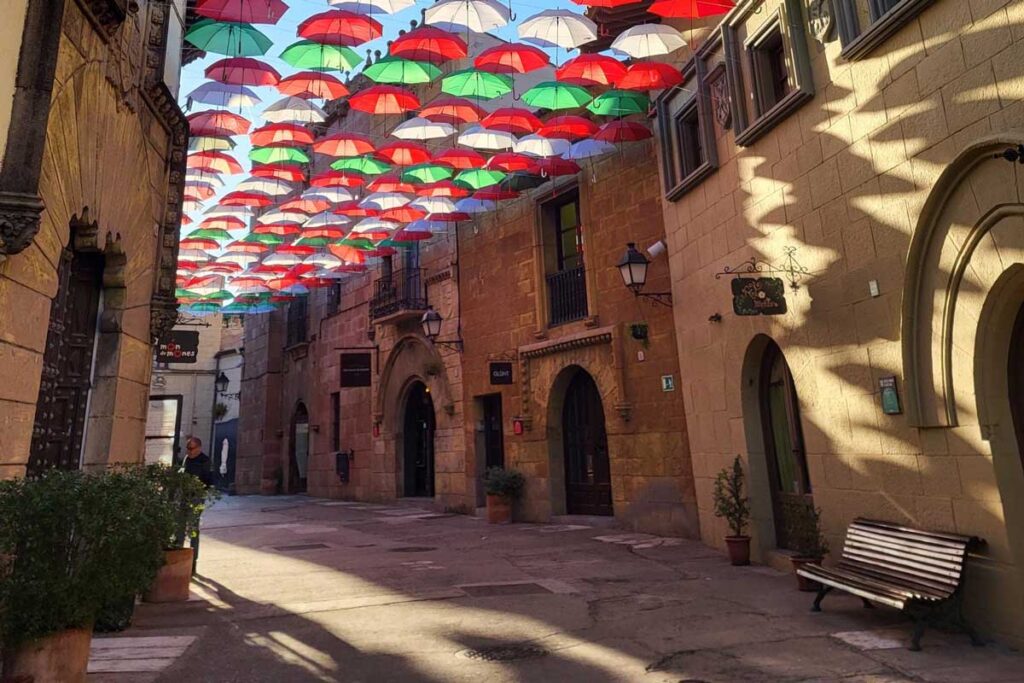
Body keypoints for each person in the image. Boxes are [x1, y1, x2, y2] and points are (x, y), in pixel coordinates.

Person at [181, 437, 212, 574]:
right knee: (180, 526)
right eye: (187, 448)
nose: (189, 451)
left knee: (194, 527)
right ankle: (180, 556)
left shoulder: (205, 461)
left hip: (197, 497)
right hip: (184, 495)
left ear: (199, 448)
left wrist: (199, 489)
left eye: (191, 448)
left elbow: (209, 481)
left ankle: (193, 562)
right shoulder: (187, 459)